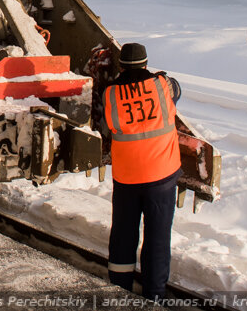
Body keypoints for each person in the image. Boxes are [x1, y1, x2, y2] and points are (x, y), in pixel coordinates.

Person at [103, 42, 182, 301]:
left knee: (123, 235)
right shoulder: (162, 86)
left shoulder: (111, 94)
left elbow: (109, 124)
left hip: (127, 178)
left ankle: (119, 289)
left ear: (121, 66)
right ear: (146, 64)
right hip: (161, 177)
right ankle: (154, 296)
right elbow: (176, 89)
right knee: (157, 238)